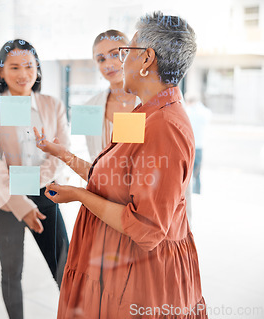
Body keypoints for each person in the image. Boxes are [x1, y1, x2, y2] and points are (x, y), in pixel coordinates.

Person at [35, 12, 207, 318]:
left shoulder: (164, 125)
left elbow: (147, 227)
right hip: (117, 260)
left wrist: (78, 195)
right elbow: (113, 178)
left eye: (124, 52)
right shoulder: (145, 114)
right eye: (102, 58)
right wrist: (62, 153)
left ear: (146, 59)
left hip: (140, 274)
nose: (116, 62)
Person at [0, 39, 70, 319]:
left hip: (45, 194)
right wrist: (19, 197)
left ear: (38, 69)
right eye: (14, 67)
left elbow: (60, 154)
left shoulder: (52, 105)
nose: (23, 73)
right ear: (1, 72)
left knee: (65, 267)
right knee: (11, 272)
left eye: (29, 65)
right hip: (4, 201)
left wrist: (32, 183)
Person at [85, 30, 138, 160]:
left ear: (130, 53)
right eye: (101, 59)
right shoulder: (90, 107)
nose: (108, 65)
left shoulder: (150, 101)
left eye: (115, 55)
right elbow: (92, 160)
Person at [185, 93, 212, 194]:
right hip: (199, 145)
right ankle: (197, 192)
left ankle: (191, 193)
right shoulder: (204, 112)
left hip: (190, 145)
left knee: (188, 173)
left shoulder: (188, 112)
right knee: (197, 173)